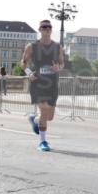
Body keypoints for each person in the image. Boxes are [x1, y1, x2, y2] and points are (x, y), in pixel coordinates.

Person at [21, 20, 64, 151]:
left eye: (49, 27)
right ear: (39, 29)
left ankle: (35, 119)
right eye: (44, 27)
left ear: (51, 30)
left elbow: (62, 64)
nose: (46, 29)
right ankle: (43, 142)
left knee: (49, 116)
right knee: (44, 110)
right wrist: (28, 73)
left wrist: (58, 67)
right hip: (37, 83)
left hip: (52, 85)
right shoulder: (32, 46)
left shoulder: (58, 47)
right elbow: (23, 62)